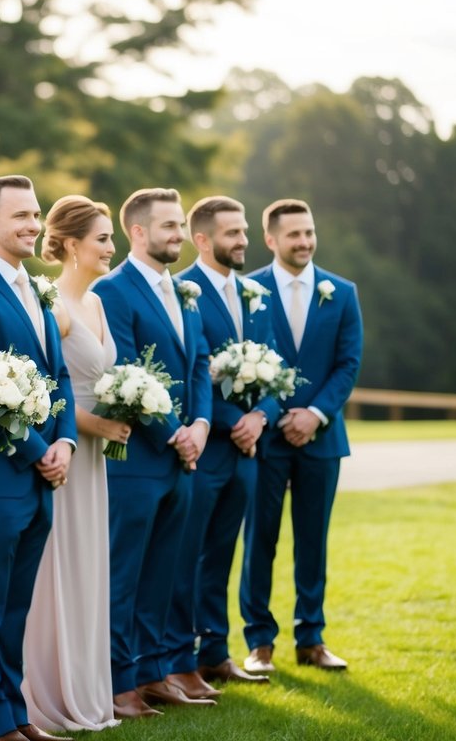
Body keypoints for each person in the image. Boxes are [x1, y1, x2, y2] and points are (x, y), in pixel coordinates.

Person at [0, 175, 78, 741]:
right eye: (22, 216)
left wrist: (67, 441)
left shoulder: (39, 288)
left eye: (37, 214)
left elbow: (61, 378)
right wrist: (37, 451)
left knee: (16, 611)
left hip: (43, 478)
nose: (34, 225)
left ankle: (18, 715)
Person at [92, 187, 214, 713]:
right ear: (137, 232)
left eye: (182, 225)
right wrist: (173, 432)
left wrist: (203, 426)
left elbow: (201, 363)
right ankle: (119, 682)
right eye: (168, 226)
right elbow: (123, 372)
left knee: (165, 572)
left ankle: (155, 671)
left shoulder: (185, 291)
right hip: (137, 460)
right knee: (126, 575)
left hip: (184, 457)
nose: (180, 236)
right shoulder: (111, 292)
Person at [161, 196, 280, 691]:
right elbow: (191, 374)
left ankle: (214, 652)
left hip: (247, 452)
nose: (243, 240)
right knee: (186, 556)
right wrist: (235, 421)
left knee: (223, 554)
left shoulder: (255, 293)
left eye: (245, 230)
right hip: (205, 447)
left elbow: (275, 368)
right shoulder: (182, 291)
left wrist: (261, 417)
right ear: (203, 239)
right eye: (232, 232)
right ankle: (177, 657)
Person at [240, 198, 363, 674]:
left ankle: (311, 638)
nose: (305, 242)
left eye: (309, 232)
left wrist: (314, 413)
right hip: (265, 440)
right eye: (294, 235)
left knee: (314, 539)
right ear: (271, 240)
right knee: (260, 542)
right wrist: (276, 416)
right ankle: (259, 643)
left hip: (322, 438)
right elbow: (243, 356)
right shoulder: (248, 290)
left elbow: (347, 364)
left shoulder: (343, 292)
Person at [21, 196, 130, 729]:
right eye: (103, 238)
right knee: (56, 568)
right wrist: (99, 426)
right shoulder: (55, 306)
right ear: (69, 244)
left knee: (91, 564)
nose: (112, 247)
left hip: (96, 462)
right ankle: (49, 690)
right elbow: (51, 394)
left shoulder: (98, 305)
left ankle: (88, 688)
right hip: (67, 454)